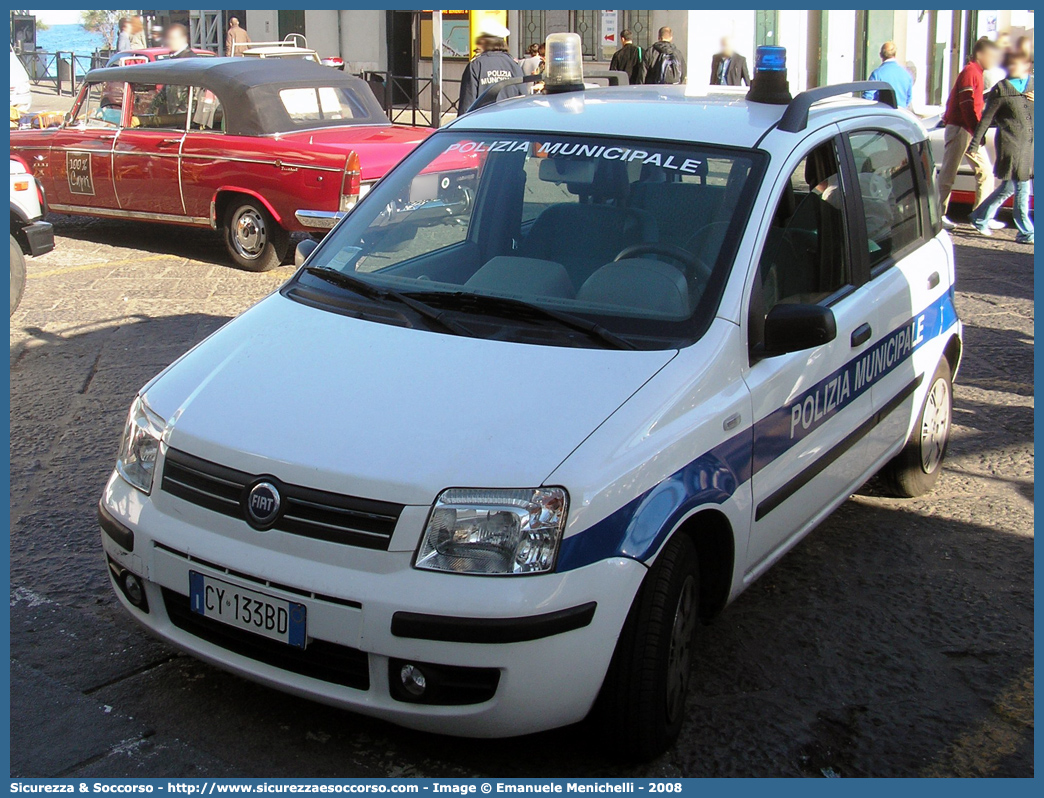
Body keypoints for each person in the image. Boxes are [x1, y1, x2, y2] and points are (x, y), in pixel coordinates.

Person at [968, 51, 1034, 243]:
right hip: (1011, 143)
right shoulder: (1001, 89)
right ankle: (1026, 232)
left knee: (1009, 187)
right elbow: (986, 118)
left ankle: (980, 217)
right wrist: (974, 143)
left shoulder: (1034, 85)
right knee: (1022, 187)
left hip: (1030, 144)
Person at [937, 37, 1001, 228]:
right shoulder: (971, 72)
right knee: (949, 173)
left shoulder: (975, 72)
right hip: (961, 129)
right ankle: (938, 216)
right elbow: (967, 105)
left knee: (985, 173)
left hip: (967, 130)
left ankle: (981, 216)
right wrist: (977, 130)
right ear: (982, 55)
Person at [458, 24, 524, 113]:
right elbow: (523, 97)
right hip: (510, 120)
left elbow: (467, 102)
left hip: (484, 121)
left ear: (485, 43)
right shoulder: (513, 64)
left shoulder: (476, 64)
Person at [862, 41, 914, 108]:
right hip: (900, 114)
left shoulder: (877, 74)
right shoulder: (906, 74)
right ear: (895, 54)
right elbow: (908, 98)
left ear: (880, 54)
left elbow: (867, 97)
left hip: (882, 114)